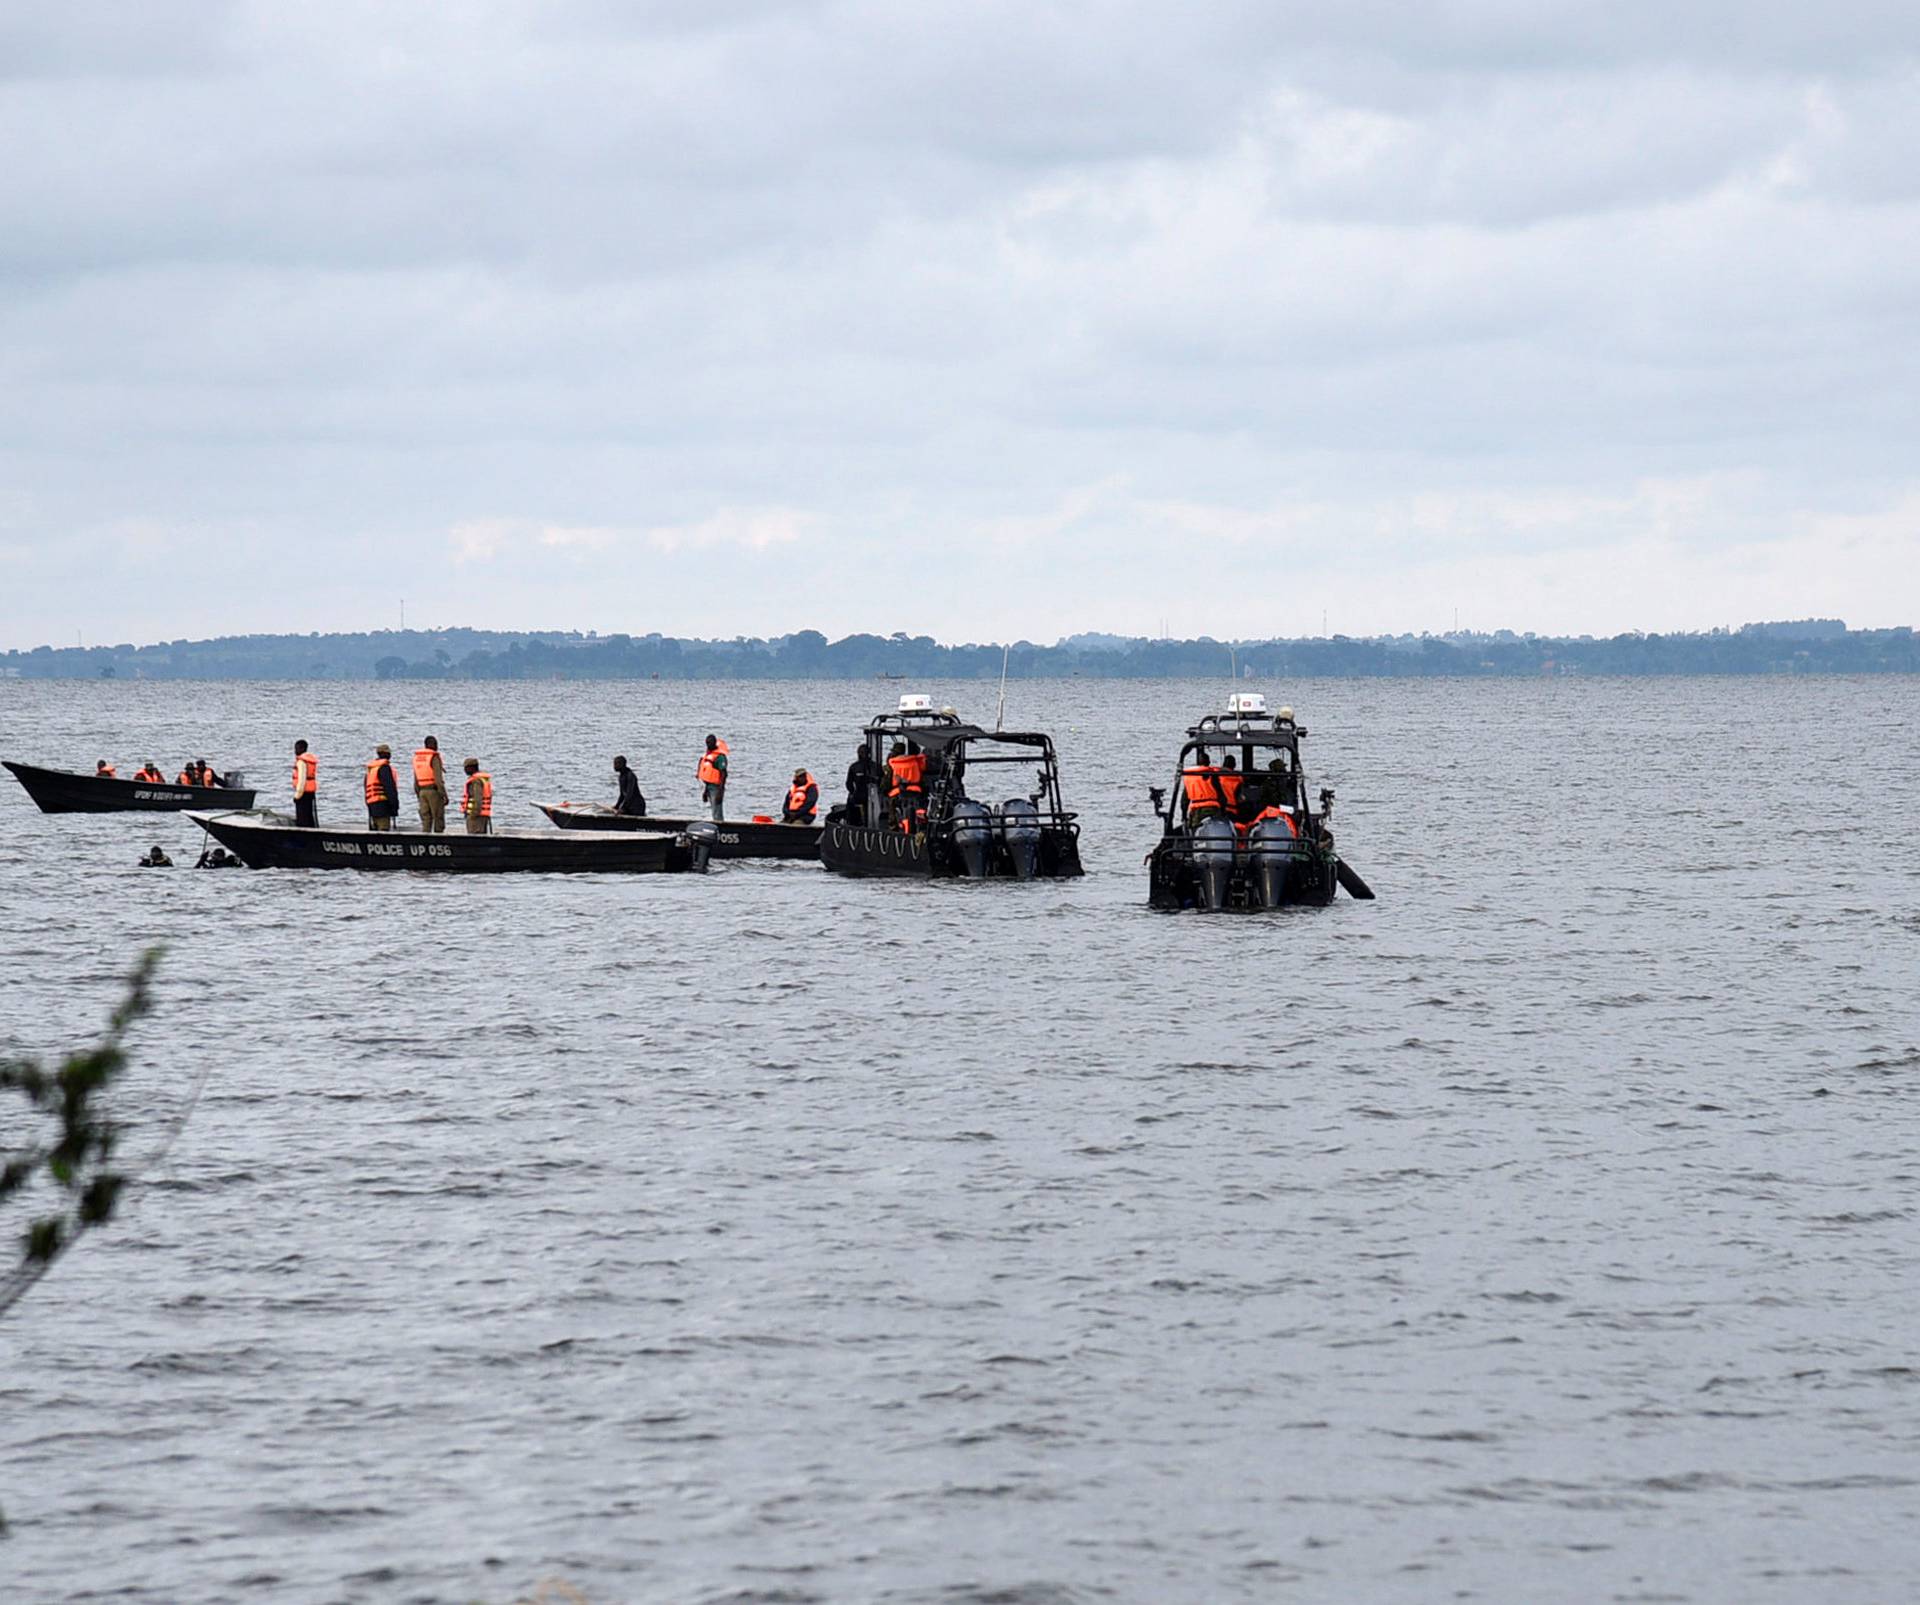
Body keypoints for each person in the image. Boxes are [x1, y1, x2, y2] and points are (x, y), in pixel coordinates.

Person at [886, 740, 927, 832]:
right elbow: (923, 768)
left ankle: (893, 826)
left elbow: (889, 778)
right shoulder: (915, 760)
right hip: (916, 790)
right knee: (920, 806)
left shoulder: (893, 763)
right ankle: (922, 825)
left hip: (898, 791)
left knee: (891, 804)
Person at [413, 736, 447, 833]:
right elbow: (438, 779)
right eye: (435, 744)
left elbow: (416, 780)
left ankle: (425, 840)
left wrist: (418, 794)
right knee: (438, 818)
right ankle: (439, 841)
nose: (437, 746)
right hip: (433, 791)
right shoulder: (434, 757)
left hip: (422, 792)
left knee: (426, 819)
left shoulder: (417, 758)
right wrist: (443, 795)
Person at [364, 744, 400, 831]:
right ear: (386, 754)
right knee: (383, 830)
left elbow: (366, 788)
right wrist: (395, 807)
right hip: (383, 806)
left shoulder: (371, 769)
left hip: (372, 807)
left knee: (374, 832)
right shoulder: (384, 768)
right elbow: (390, 788)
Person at [1181, 749, 1223, 823]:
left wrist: (1184, 815)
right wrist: (1223, 810)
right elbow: (1220, 794)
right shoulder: (1212, 775)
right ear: (1208, 762)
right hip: (1211, 809)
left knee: (1195, 830)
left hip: (1195, 810)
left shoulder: (1190, 776)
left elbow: (1184, 799)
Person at [696, 734, 729, 821]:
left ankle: (720, 827)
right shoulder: (707, 755)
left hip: (717, 787)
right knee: (713, 810)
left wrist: (720, 792)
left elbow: (724, 774)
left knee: (717, 810)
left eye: (710, 743)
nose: (708, 745)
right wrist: (705, 792)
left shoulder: (719, 757)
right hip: (708, 786)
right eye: (707, 743)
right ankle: (716, 823)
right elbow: (707, 776)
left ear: (714, 743)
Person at [844, 744, 875, 825]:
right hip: (874, 796)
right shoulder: (876, 766)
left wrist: (852, 792)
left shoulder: (854, 767)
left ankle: (851, 823)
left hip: (859, 795)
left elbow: (848, 784)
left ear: (858, 754)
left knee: (850, 803)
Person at [461, 757, 493, 835]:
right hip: (482, 815)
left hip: (476, 816)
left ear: (472, 768)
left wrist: (473, 815)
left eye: (466, 768)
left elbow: (478, 799)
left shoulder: (476, 781)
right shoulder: (482, 779)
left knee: (474, 836)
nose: (465, 770)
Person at [291, 739, 318, 827]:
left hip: (303, 793)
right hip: (310, 792)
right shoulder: (309, 760)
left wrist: (297, 796)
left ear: (302, 749)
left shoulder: (301, 762)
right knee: (309, 814)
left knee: (302, 816)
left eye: (296, 748)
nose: (295, 751)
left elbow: (301, 780)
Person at [1216, 754, 1245, 820]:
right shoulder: (1238, 779)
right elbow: (1240, 799)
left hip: (1218, 810)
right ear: (1234, 765)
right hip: (1233, 810)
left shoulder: (1215, 776)